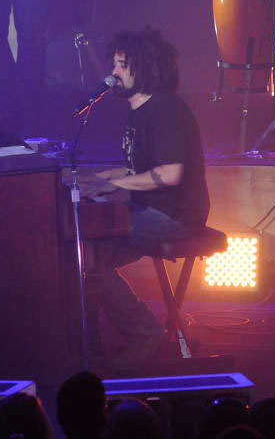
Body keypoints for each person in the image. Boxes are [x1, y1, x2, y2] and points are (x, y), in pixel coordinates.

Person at [77, 29, 210, 367]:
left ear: (145, 68)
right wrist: (99, 179)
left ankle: (145, 334)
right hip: (151, 208)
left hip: (175, 215)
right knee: (83, 253)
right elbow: (138, 166)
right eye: (114, 64)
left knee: (92, 260)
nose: (113, 73)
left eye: (122, 65)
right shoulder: (141, 110)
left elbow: (170, 173)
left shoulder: (166, 110)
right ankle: (89, 344)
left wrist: (113, 187)